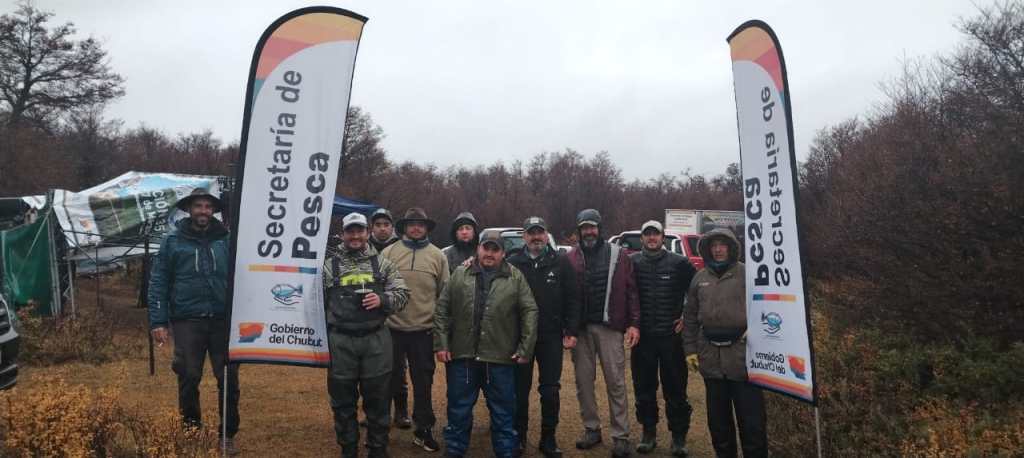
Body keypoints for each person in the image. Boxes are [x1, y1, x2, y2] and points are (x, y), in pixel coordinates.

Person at [148, 188, 240, 454]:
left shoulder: (227, 239)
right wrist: (158, 321)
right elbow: (158, 281)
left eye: (208, 207)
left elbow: (242, 274)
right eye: (198, 206)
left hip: (223, 319)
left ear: (214, 211)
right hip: (187, 319)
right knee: (188, 376)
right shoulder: (173, 241)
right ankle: (191, 430)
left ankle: (227, 434)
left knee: (229, 379)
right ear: (189, 209)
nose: (203, 211)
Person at [433, 230, 538, 458]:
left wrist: (525, 348)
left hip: (500, 358)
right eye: (485, 248)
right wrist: (441, 345)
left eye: (495, 249)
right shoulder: (460, 273)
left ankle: (505, 452)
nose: (489, 253)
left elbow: (529, 311)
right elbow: (442, 310)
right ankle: (454, 450)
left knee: (503, 413)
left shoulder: (515, 277)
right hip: (463, 358)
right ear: (478, 249)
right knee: (458, 410)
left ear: (502, 253)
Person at [324, 213, 410, 458]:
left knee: (378, 400)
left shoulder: (382, 263)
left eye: (360, 231)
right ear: (342, 234)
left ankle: (378, 449)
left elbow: (403, 294)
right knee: (342, 401)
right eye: (350, 231)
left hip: (376, 340)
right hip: (340, 341)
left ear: (367, 232)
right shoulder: (329, 266)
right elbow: (314, 302)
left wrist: (382, 299)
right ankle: (348, 448)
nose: (355, 236)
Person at [683, 228, 768, 458]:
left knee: (752, 424)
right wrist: (690, 350)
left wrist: (758, 332)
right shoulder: (699, 278)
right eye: (714, 245)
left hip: (744, 361)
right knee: (719, 424)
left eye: (723, 244)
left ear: (731, 247)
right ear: (708, 249)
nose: (718, 249)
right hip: (711, 361)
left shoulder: (747, 274)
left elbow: (766, 308)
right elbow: (690, 317)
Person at [564, 208, 640, 458]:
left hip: (610, 328)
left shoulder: (619, 255)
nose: (589, 231)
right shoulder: (571, 257)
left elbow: (631, 291)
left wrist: (634, 323)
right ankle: (591, 429)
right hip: (581, 330)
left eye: (593, 227)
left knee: (616, 382)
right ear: (579, 230)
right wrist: (567, 327)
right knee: (584, 383)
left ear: (600, 228)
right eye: (585, 227)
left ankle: (620, 436)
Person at [506, 216, 581, 457]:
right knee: (519, 389)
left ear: (546, 234)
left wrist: (571, 330)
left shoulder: (560, 261)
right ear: (524, 235)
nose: (536, 237)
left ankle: (548, 438)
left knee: (550, 390)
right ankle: (518, 436)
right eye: (531, 232)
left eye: (540, 232)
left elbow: (573, 298)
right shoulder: (512, 262)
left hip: (550, 336)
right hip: (520, 337)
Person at [381, 207, 450, 452]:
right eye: (412, 224)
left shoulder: (437, 256)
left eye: (421, 224)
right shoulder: (389, 252)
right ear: (404, 227)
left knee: (423, 383)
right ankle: (380, 431)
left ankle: (424, 430)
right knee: (387, 381)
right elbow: (380, 290)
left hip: (423, 331)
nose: (416, 228)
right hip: (392, 330)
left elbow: (445, 296)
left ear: (427, 228)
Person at [629, 221, 696, 456]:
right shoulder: (632, 262)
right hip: (643, 338)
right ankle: (648, 434)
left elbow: (696, 291)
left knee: (676, 389)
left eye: (655, 234)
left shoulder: (680, 263)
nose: (651, 238)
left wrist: (687, 316)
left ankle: (679, 437)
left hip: (671, 338)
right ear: (642, 238)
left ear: (663, 237)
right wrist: (629, 323)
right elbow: (626, 294)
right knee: (644, 388)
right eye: (647, 234)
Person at [366, 207, 410, 428]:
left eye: (386, 224)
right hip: (369, 317)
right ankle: (373, 411)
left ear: (392, 227)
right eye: (378, 225)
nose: (382, 229)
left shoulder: (402, 247)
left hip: (395, 316)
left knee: (397, 369)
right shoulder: (364, 247)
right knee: (370, 369)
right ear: (371, 227)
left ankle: (401, 412)